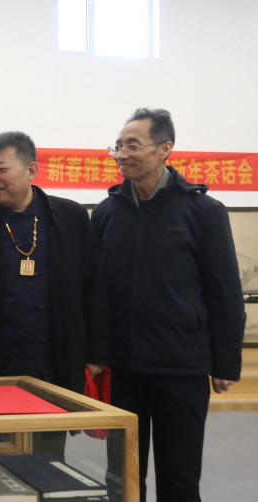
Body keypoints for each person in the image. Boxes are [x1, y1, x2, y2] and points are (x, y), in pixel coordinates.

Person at [92, 108, 245, 502]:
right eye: (118, 146)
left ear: (165, 149)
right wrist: (95, 355)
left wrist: (225, 363)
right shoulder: (107, 213)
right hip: (123, 368)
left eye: (132, 145)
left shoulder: (203, 212)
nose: (122, 154)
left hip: (182, 367)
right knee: (122, 478)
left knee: (179, 479)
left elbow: (225, 292)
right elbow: (95, 293)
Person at [0, 131, 109, 457]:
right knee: (1, 457)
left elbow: (94, 289)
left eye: (1, 169)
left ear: (31, 170)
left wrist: (96, 355)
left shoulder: (71, 218)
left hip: (54, 362)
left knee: (50, 456)